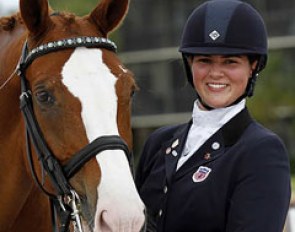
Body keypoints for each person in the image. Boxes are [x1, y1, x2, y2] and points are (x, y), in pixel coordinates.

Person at [135, 1, 291, 231]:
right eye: (204, 60)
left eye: (230, 62)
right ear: (190, 64)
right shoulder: (159, 143)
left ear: (253, 66)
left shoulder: (262, 151)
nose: (215, 73)